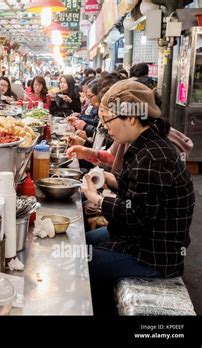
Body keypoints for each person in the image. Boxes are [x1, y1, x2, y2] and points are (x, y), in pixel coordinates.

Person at [81, 79, 195, 313]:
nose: (104, 127)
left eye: (108, 120)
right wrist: (108, 178)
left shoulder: (153, 156)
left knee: (80, 264)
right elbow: (141, 192)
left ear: (131, 117)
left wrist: (96, 199)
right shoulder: (146, 144)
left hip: (155, 256)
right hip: (143, 239)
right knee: (84, 241)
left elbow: (135, 216)